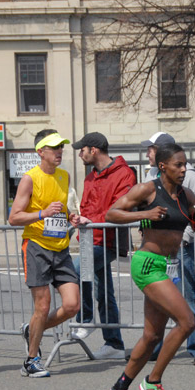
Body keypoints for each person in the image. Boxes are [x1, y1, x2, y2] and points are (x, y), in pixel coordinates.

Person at [103, 143, 195, 390]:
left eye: (185, 164)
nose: (184, 169)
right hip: (147, 264)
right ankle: (153, 380)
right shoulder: (148, 190)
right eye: (178, 165)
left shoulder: (185, 195)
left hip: (169, 266)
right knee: (187, 322)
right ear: (163, 166)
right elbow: (112, 213)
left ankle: (118, 389)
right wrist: (145, 213)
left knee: (151, 337)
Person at [9, 130, 83, 377]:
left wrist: (70, 216)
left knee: (72, 305)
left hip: (60, 248)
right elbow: (14, 217)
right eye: (54, 148)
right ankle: (31, 361)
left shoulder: (64, 176)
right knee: (43, 306)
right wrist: (41, 214)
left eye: (61, 147)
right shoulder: (30, 179)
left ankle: (32, 330)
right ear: (40, 152)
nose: (59, 151)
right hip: (36, 246)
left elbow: (61, 210)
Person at [143, 132, 195, 364]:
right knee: (158, 299)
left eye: (151, 149)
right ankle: (155, 344)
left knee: (188, 296)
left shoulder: (190, 177)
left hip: (180, 248)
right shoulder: (150, 176)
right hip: (154, 252)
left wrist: (185, 236)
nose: (148, 153)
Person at [70, 132, 135, 359]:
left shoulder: (124, 174)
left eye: (82, 150)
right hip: (90, 239)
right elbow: (87, 209)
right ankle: (114, 344)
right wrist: (78, 219)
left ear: (93, 150)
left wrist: (91, 220)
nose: (80, 154)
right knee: (105, 294)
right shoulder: (90, 177)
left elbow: (119, 209)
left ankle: (85, 319)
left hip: (109, 240)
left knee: (76, 272)